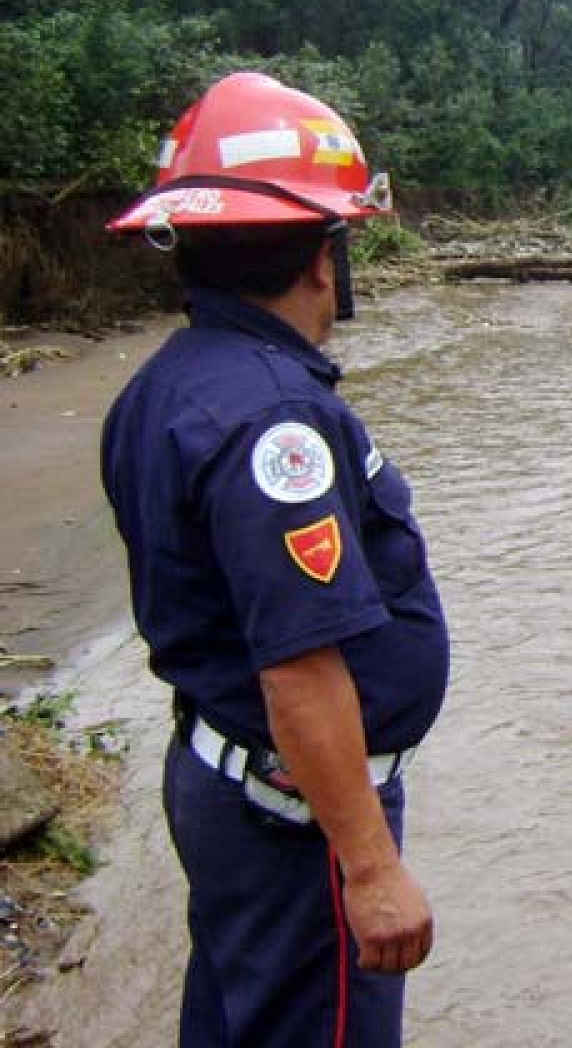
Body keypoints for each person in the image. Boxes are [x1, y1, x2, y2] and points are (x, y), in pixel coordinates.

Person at [99, 72, 451, 1047]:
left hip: (230, 784)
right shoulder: (276, 422)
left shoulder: (169, 384)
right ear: (322, 257)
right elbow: (299, 664)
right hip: (296, 822)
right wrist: (371, 868)